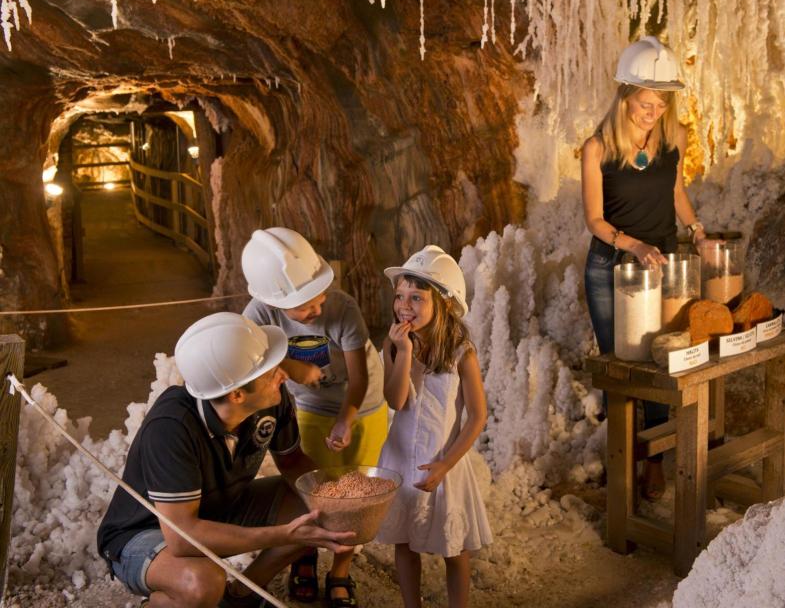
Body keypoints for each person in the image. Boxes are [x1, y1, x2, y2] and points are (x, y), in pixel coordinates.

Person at [96, 312, 355, 608]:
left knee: (314, 503)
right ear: (236, 394)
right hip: (147, 532)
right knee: (203, 582)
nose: (282, 373)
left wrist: (341, 500)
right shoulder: (171, 426)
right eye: (270, 370)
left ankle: (241, 597)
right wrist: (282, 534)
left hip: (215, 509)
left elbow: (293, 462)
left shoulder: (271, 399)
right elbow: (183, 538)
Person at [581, 36, 707, 500]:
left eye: (660, 103)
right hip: (611, 264)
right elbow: (594, 219)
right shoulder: (597, 148)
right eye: (644, 102)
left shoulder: (673, 138)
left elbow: (676, 196)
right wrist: (632, 244)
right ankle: (623, 463)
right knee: (621, 368)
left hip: (661, 264)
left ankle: (652, 461)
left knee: (657, 364)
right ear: (625, 95)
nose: (651, 111)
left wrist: (698, 232)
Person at [240, 227, 387, 607]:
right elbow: (248, 357)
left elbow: (360, 377)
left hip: (362, 404)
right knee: (311, 491)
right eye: (304, 305)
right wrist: (290, 363)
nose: (316, 308)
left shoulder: (343, 308)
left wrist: (347, 417)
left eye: (318, 295)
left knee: (355, 495)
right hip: (308, 407)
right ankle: (302, 560)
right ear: (273, 300)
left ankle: (340, 572)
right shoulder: (258, 314)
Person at [376, 245, 492, 608]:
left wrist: (445, 464)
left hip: (444, 461)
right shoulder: (394, 344)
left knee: (453, 548)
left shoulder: (461, 351)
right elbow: (395, 402)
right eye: (399, 296)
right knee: (404, 541)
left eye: (416, 297)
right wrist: (404, 354)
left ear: (443, 302)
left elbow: (477, 416)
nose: (404, 306)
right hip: (400, 457)